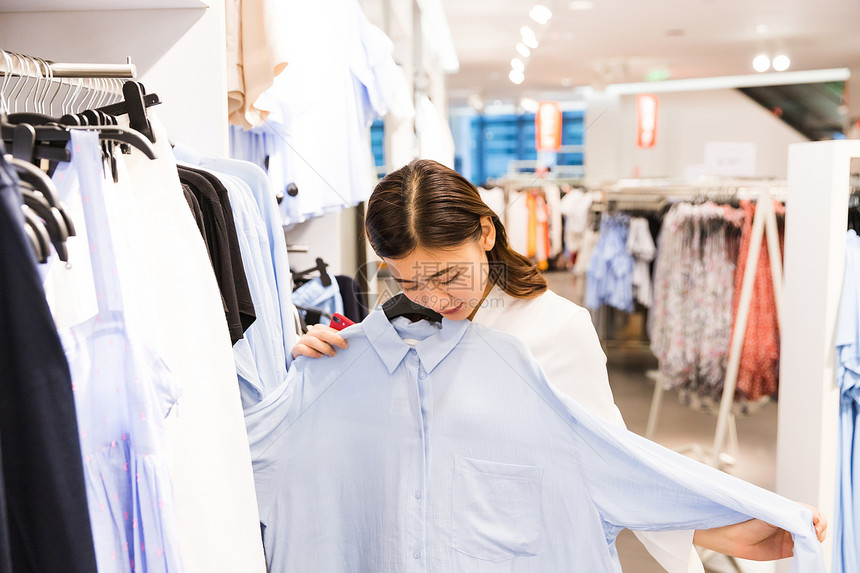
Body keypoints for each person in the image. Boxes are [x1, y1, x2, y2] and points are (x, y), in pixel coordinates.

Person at [291, 159, 826, 571]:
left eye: (450, 277)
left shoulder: (554, 330)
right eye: (409, 282)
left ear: (485, 234)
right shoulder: (390, 333)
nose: (434, 298)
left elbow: (609, 464)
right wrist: (319, 370)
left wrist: (717, 523)